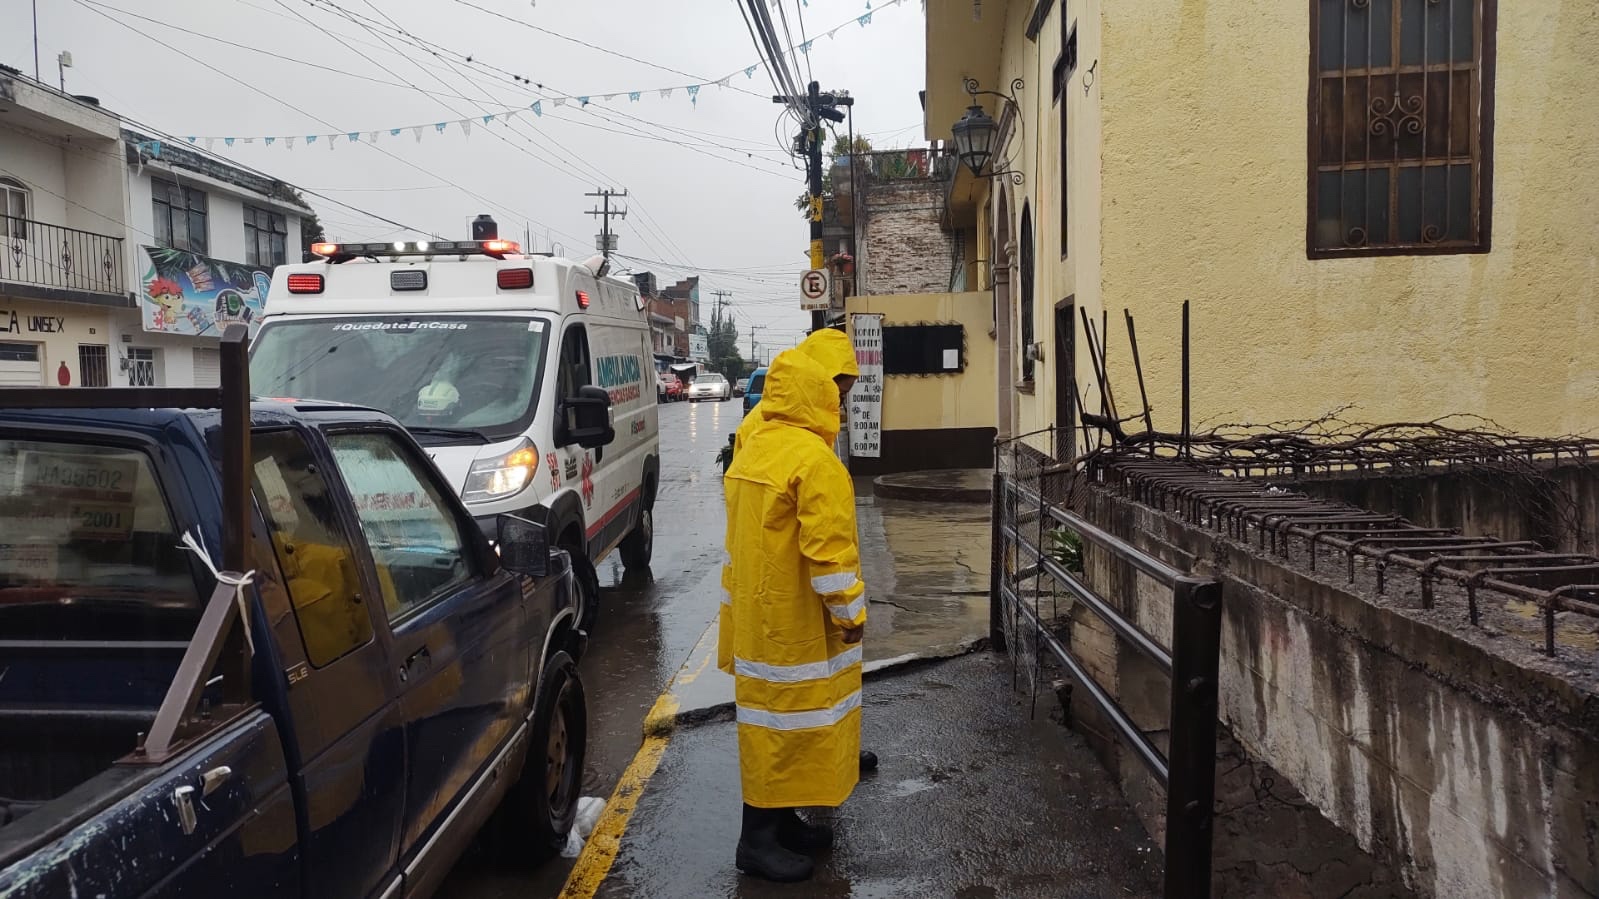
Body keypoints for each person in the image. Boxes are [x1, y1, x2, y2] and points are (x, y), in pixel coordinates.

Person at [721, 348, 868, 883]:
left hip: (759, 615)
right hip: (799, 620)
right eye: (837, 397)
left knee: (770, 725)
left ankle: (779, 826)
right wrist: (851, 612)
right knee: (790, 723)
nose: (843, 408)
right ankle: (756, 842)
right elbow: (830, 555)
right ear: (820, 399)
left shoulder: (755, 450)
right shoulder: (813, 461)